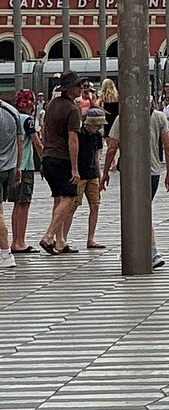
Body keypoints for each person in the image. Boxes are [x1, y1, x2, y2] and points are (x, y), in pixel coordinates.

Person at [101, 98, 169, 268]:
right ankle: (134, 249)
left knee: (138, 211)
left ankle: (151, 251)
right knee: (142, 210)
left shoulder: (123, 118)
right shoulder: (160, 117)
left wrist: (105, 173)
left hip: (130, 173)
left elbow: (112, 147)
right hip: (153, 171)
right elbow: (168, 147)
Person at [39, 72, 83, 255]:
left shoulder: (51, 105)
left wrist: (43, 157)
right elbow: (73, 140)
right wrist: (74, 167)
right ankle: (49, 236)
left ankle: (60, 241)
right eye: (78, 86)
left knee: (59, 198)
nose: (81, 88)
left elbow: (44, 130)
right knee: (69, 197)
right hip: (62, 158)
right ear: (70, 89)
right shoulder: (72, 110)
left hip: (48, 156)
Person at [69, 108, 106, 250]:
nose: (99, 128)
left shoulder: (97, 137)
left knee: (95, 205)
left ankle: (91, 238)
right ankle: (63, 238)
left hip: (92, 174)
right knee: (72, 205)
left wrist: (100, 175)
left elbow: (96, 157)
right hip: (80, 174)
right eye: (97, 125)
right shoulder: (78, 134)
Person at [11, 91, 40, 255]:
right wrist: (44, 160)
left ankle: (15, 240)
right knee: (24, 204)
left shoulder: (13, 117)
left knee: (16, 204)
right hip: (25, 167)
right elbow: (36, 142)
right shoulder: (27, 121)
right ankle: (19, 242)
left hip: (12, 166)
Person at [0, 95, 24, 270]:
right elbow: (20, 141)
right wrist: (17, 167)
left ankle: (5, 253)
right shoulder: (12, 111)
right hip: (8, 168)